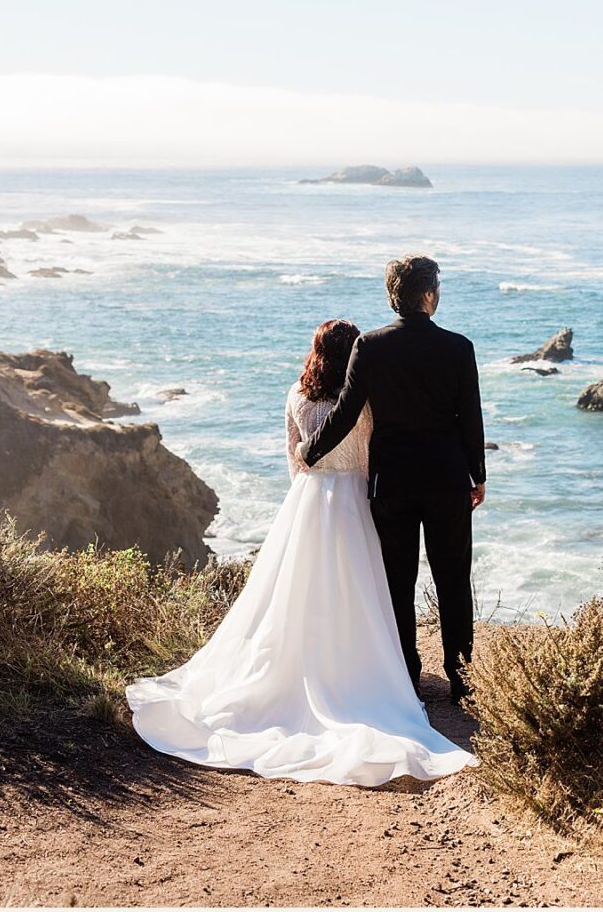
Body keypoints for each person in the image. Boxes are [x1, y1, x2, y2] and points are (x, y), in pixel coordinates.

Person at [125, 318, 473, 786]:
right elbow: (371, 454)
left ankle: (318, 665)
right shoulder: (362, 403)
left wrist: (309, 499)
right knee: (370, 589)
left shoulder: (295, 395)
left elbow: (296, 459)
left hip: (307, 502)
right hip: (354, 499)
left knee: (299, 593)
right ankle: (385, 670)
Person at [298, 255, 486, 703]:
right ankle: (461, 679)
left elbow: (345, 411)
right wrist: (477, 475)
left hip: (392, 483)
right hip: (446, 480)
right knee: (453, 578)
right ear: (427, 295)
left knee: (397, 581)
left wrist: (311, 451)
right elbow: (471, 421)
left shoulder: (371, 346)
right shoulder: (459, 348)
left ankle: (407, 676)